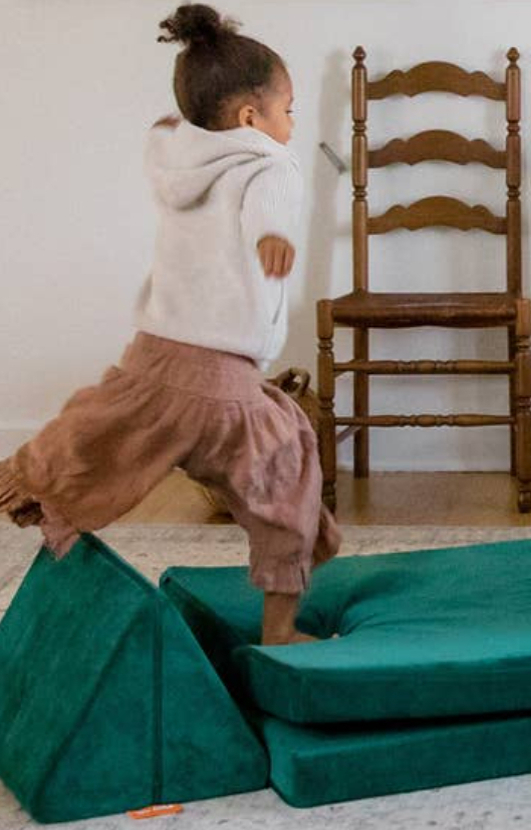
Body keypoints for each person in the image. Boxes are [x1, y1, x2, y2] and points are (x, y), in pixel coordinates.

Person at [0, 4, 339, 644]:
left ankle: (21, 481)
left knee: (81, 445)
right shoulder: (270, 162)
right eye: (288, 108)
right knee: (286, 479)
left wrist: (174, 123)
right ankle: (281, 631)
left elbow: (172, 135)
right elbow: (269, 197)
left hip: (153, 359)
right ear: (250, 118)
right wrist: (270, 235)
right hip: (219, 377)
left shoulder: (174, 155)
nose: (292, 123)